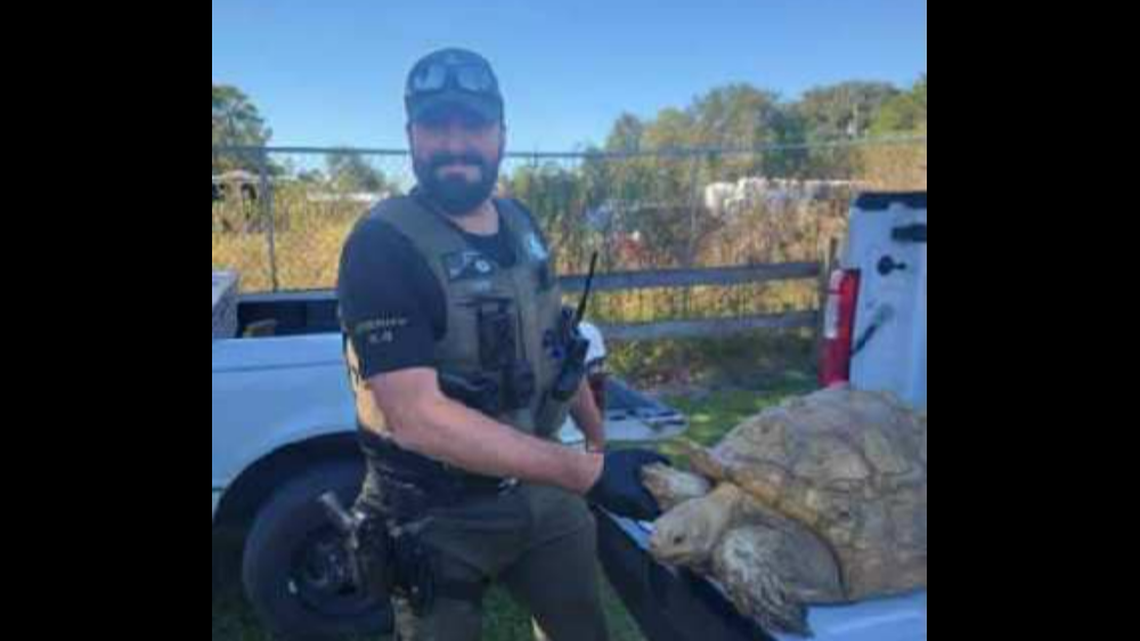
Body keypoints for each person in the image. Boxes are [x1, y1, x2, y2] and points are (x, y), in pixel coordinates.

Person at [337, 48, 666, 641]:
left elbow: (557, 336)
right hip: (431, 511)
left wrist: (595, 437)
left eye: (475, 125)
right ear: (411, 135)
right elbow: (416, 418)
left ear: (502, 134)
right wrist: (586, 474)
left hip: (541, 490)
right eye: (437, 126)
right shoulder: (382, 245)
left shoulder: (522, 223)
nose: (456, 143)